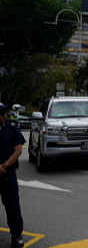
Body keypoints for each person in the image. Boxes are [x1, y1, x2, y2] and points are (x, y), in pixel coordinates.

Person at [0, 103, 25, 248]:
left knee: (12, 204)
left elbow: (18, 150)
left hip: (7, 172)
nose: (4, 114)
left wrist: (4, 165)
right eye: (1, 112)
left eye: (5, 112)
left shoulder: (11, 129)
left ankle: (16, 234)